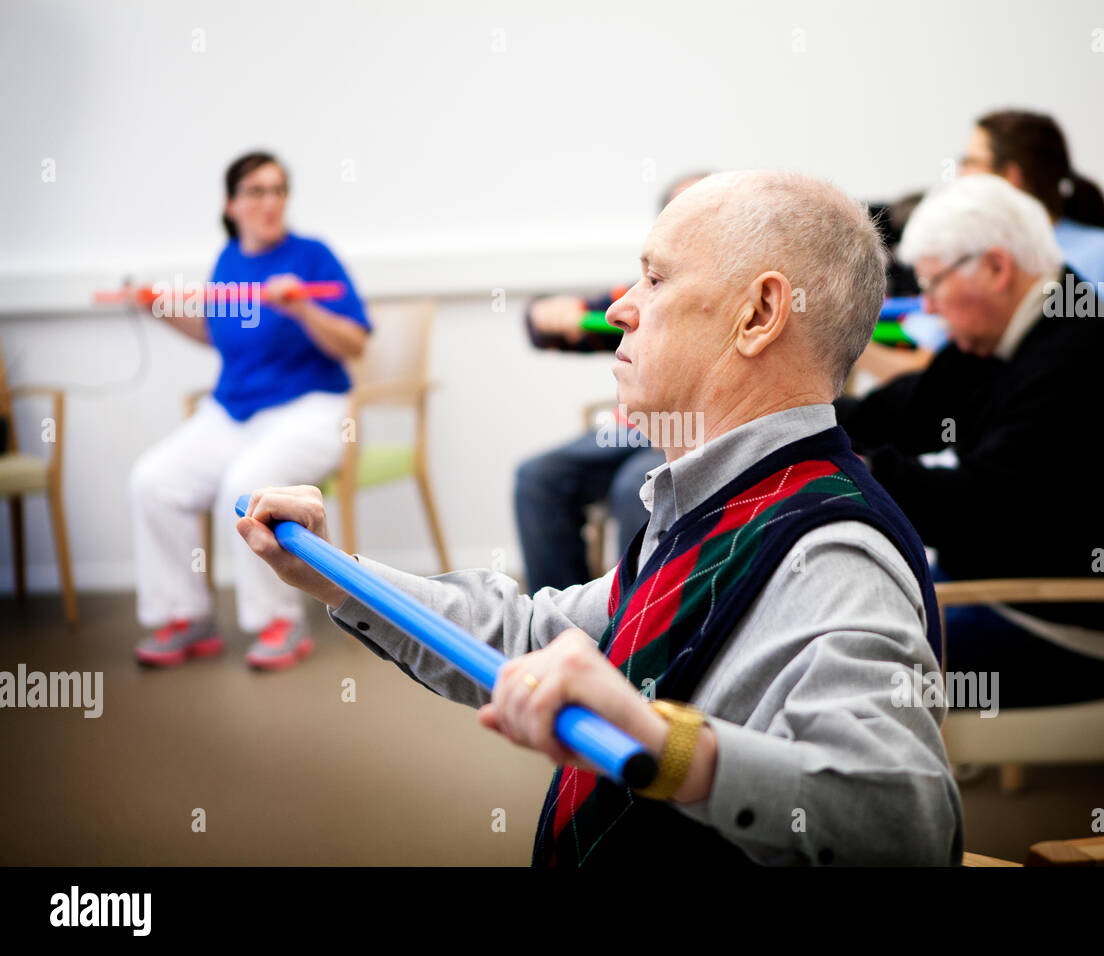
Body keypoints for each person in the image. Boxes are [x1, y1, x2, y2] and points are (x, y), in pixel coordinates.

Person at [236, 170, 963, 866]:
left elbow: (905, 825)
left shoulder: (832, 556)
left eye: (655, 277)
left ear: (760, 314)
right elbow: (526, 634)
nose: (618, 306)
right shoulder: (716, 503)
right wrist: (335, 579)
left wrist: (665, 745)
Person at [836, 173, 1104, 708]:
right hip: (1016, 588)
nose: (928, 308)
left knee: (843, 660)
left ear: (995, 267)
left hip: (1068, 630)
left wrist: (857, 469)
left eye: (934, 284)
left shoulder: (1078, 356)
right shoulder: (1014, 328)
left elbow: (975, 510)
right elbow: (912, 410)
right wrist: (807, 416)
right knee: (846, 611)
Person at [128, 151, 371, 670]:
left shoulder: (313, 255)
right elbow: (216, 333)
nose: (270, 202)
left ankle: (278, 622)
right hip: (233, 412)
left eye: (278, 190)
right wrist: (160, 309)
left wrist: (302, 306)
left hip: (312, 408)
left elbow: (354, 343)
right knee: (152, 481)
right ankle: (186, 616)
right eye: (257, 191)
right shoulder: (229, 261)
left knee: (248, 484)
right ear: (231, 204)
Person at [857, 110, 1104, 388]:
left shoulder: (1097, 256)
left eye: (969, 162)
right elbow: (933, 380)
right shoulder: (968, 260)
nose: (958, 176)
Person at [514, 172, 709, 593]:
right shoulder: (647, 289)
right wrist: (544, 314)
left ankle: (634, 632)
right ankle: (565, 629)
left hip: (701, 431)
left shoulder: (741, 292)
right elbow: (558, 323)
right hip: (633, 431)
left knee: (637, 488)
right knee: (537, 478)